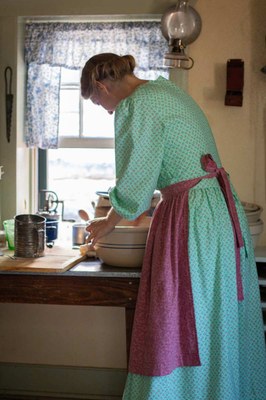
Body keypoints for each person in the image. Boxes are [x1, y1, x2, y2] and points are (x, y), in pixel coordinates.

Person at [81, 53, 266, 400]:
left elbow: (136, 183)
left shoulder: (137, 104)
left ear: (102, 86)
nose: (105, 110)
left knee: (184, 319)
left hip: (193, 216)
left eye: (99, 102)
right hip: (216, 210)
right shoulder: (166, 92)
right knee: (214, 316)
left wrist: (108, 221)